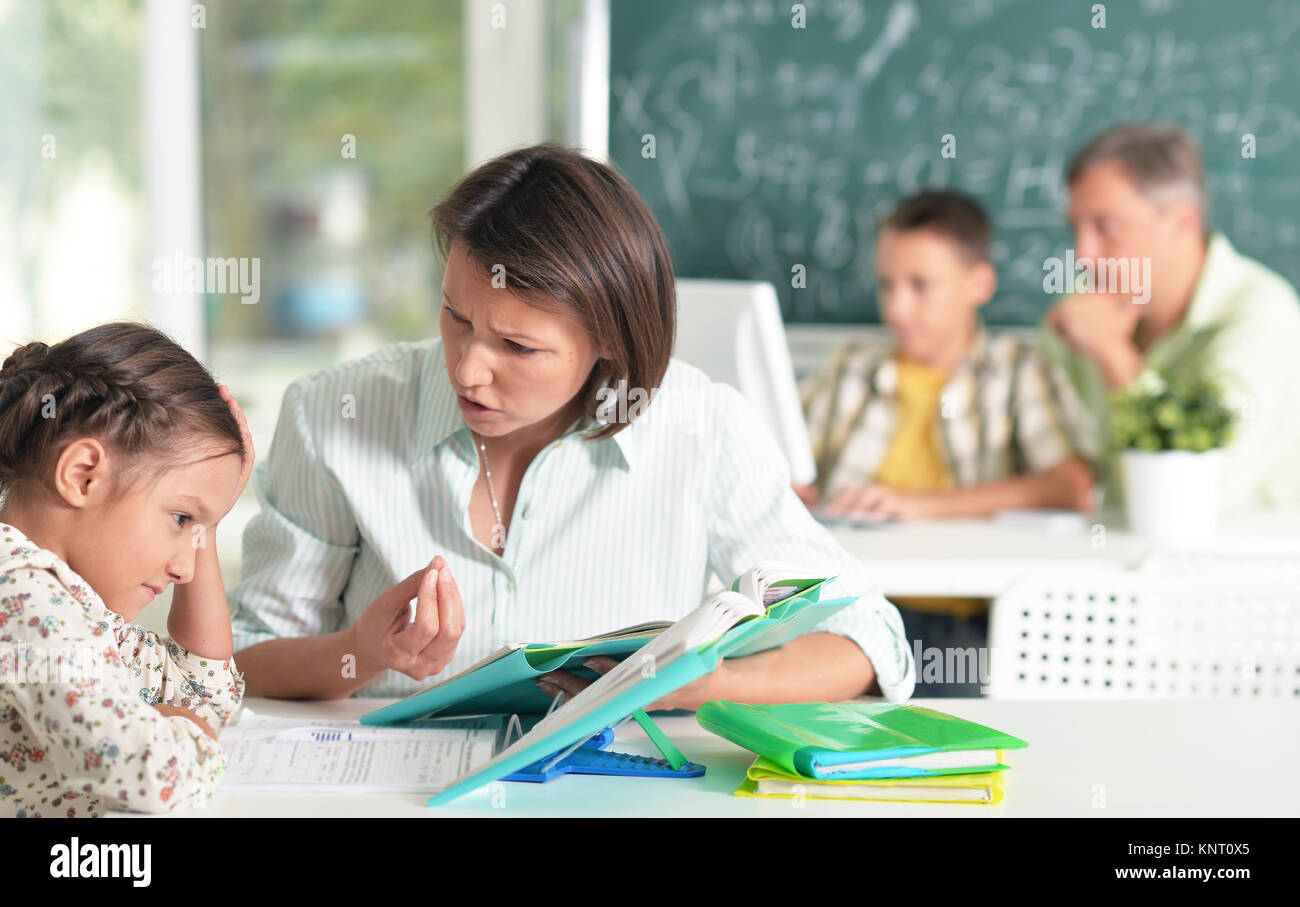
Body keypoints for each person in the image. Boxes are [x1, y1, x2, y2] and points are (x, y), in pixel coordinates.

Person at [228, 144, 915, 707]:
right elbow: (243, 658)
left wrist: (711, 686)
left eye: (518, 347)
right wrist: (364, 652)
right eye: (455, 317)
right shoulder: (332, 414)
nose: (468, 370)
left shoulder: (701, 428)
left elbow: (867, 633)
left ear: (608, 341)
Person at [0, 322, 254, 816]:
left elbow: (205, 697)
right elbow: (145, 774)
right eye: (181, 518)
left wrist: (209, 521)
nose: (186, 567)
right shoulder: (23, 598)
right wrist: (193, 737)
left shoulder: (73, 605)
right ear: (83, 476)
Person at [796, 190, 1097, 522]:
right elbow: (778, 465)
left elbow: (1071, 488)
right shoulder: (848, 367)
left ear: (979, 284)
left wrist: (915, 505)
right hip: (852, 565)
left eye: (920, 285)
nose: (897, 310)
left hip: (964, 569)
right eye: (886, 285)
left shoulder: (1018, 369)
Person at [1043, 123, 1300, 511]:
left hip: (1234, 565)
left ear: (1183, 222)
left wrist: (1113, 355)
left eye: (1106, 228)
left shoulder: (1264, 318)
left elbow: (1193, 491)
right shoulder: (1078, 311)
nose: (1082, 255)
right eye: (1075, 229)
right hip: (1097, 557)